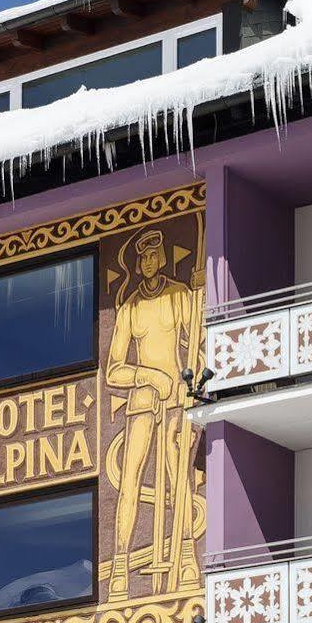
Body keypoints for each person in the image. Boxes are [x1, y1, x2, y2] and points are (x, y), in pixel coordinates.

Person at [104, 229, 202, 599]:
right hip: (143, 403)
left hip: (176, 398)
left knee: (180, 479)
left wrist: (199, 297)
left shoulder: (179, 294)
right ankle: (119, 568)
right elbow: (114, 369)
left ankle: (189, 555)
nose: (147, 262)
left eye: (153, 255)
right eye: (141, 257)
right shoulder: (129, 307)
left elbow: (197, 340)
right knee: (129, 483)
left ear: (161, 258)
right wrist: (149, 376)